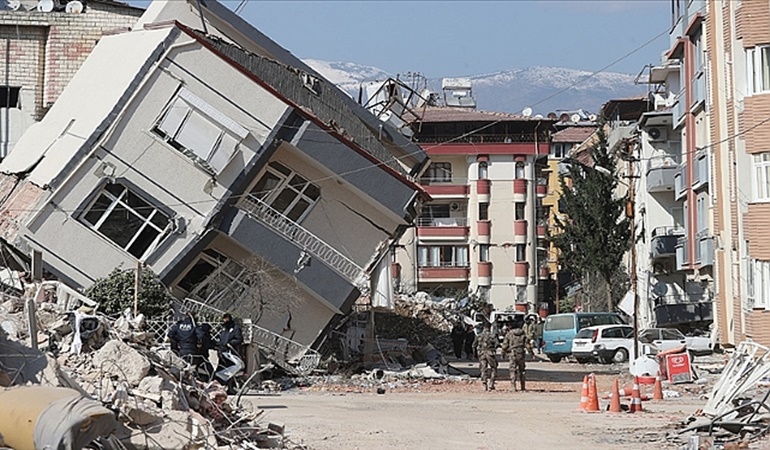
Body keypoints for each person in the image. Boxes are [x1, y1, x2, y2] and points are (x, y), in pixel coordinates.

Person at [501, 326, 531, 391]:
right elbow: (527, 345)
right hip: (521, 354)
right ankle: (523, 386)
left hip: (512, 354)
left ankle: (513, 386)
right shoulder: (523, 334)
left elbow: (505, 346)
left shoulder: (509, 334)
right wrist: (531, 353)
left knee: (513, 370)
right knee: (522, 370)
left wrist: (502, 353)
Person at [473, 322, 498, 391]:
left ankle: (484, 383)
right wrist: (494, 349)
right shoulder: (492, 336)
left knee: (483, 369)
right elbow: (497, 343)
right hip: (490, 353)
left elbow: (474, 345)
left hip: (482, 353)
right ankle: (491, 383)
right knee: (494, 368)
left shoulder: (479, 335)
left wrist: (475, 354)